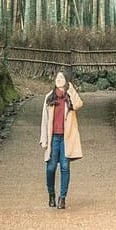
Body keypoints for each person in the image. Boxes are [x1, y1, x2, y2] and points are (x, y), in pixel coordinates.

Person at [40, 69, 83, 209]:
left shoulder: (70, 97)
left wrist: (71, 90)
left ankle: (62, 198)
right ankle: (51, 194)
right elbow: (45, 119)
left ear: (66, 81)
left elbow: (78, 104)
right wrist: (44, 139)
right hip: (53, 138)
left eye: (62, 78)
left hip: (66, 138)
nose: (58, 80)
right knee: (51, 168)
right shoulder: (49, 97)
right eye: (57, 78)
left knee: (65, 167)